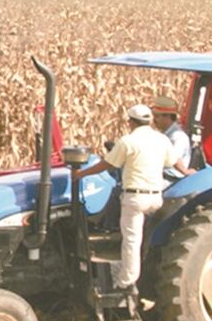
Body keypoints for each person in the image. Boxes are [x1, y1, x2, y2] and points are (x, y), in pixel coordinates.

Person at [72, 104, 180, 291]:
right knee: (145, 238)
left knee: (131, 240)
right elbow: (173, 161)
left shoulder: (128, 141)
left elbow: (107, 164)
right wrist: (187, 171)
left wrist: (82, 174)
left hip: (136, 198)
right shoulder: (161, 139)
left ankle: (126, 282)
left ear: (131, 122)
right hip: (156, 197)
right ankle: (143, 275)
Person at [152, 96, 196, 178]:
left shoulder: (178, 137)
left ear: (168, 116)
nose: (154, 120)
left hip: (170, 180)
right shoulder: (164, 135)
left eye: (157, 116)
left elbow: (173, 161)